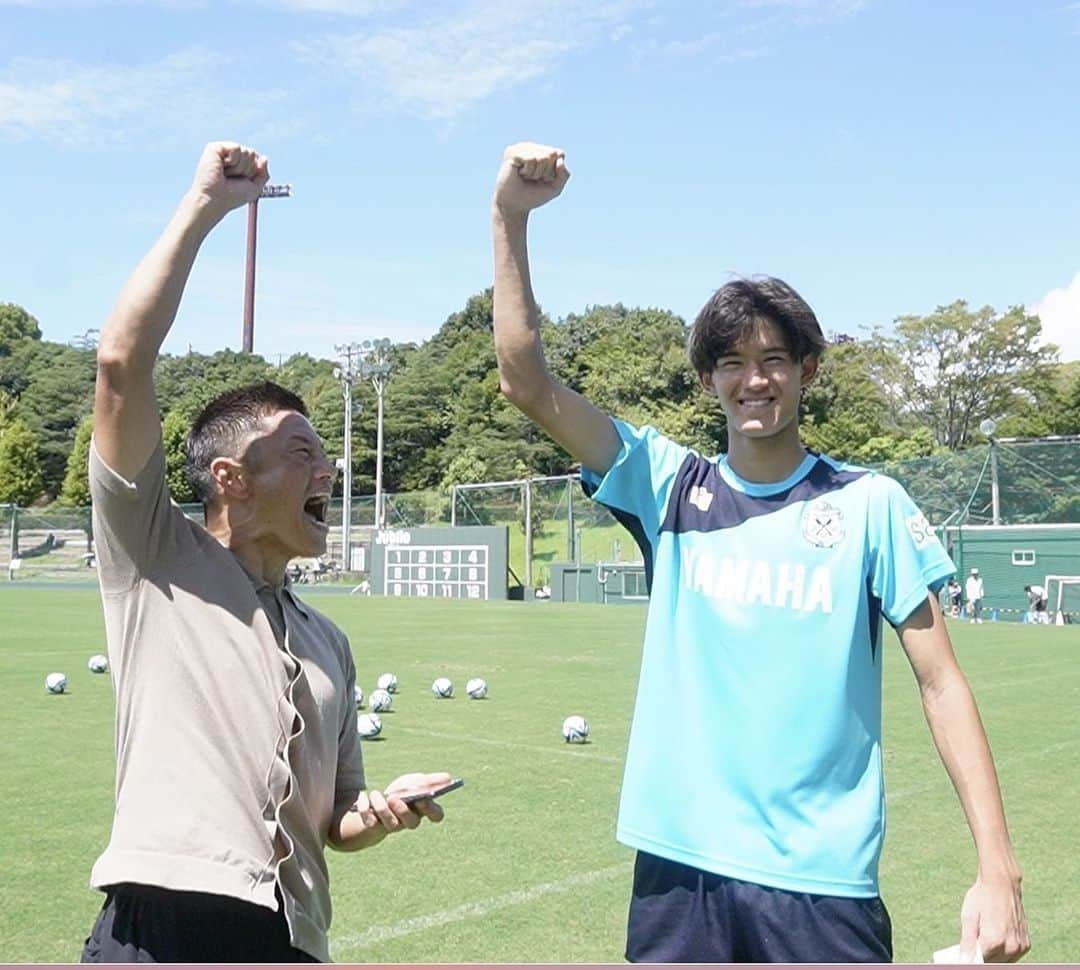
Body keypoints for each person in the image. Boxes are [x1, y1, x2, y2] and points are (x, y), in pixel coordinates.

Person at [490, 142, 1029, 963]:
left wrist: (999, 871)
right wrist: (511, 218)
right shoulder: (666, 485)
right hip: (681, 871)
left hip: (822, 882)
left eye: (774, 359)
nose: (755, 380)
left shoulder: (869, 503)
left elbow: (942, 680)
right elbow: (526, 382)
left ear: (807, 370)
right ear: (709, 379)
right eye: (733, 362)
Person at [82, 142, 453, 963]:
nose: (329, 468)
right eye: (300, 452)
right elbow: (119, 364)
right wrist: (206, 208)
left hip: (291, 940)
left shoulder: (330, 641)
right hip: (163, 929)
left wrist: (380, 812)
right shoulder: (153, 561)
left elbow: (338, 820)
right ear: (231, 479)